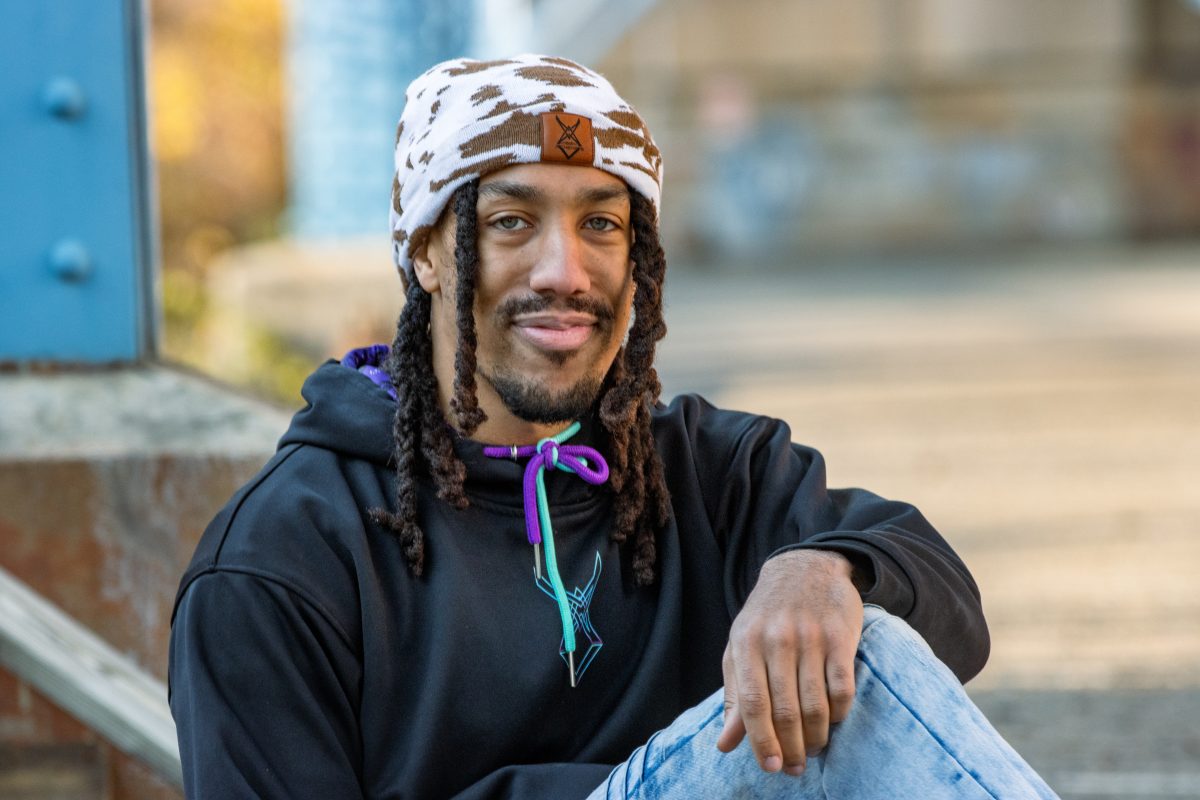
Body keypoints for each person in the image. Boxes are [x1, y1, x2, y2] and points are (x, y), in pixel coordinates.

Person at [168, 55, 1058, 799]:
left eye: (601, 223)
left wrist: (826, 569)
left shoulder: (712, 471)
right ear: (430, 254)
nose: (565, 270)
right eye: (510, 222)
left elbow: (953, 613)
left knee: (868, 637)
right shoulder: (282, 555)